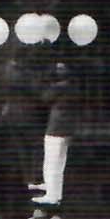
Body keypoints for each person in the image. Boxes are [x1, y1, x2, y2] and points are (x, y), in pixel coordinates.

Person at [29, 62, 75, 206]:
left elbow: (44, 98)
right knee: (59, 162)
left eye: (60, 68)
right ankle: (55, 191)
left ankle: (52, 194)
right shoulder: (72, 86)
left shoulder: (59, 87)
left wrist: (45, 81)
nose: (57, 70)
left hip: (56, 127)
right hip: (66, 127)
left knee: (52, 162)